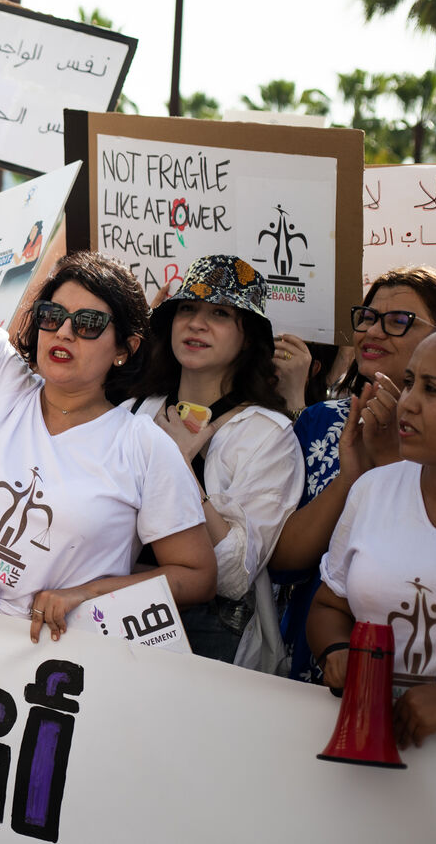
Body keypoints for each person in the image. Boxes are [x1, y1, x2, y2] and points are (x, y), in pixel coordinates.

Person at [0, 96, 215, 640]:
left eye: (89, 324)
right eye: (53, 316)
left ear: (125, 347)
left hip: (57, 668)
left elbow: (197, 575)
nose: (65, 332)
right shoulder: (3, 384)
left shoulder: (142, 446)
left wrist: (87, 594)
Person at [123, 256, 303, 670]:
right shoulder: (135, 411)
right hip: (117, 612)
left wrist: (179, 465)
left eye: (219, 313)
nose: (196, 324)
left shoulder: (268, 434)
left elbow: (234, 575)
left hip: (215, 646)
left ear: (249, 338)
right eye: (187, 308)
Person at [273, 266, 436, 681]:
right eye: (367, 317)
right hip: (330, 681)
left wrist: (393, 459)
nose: (374, 331)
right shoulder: (322, 421)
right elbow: (284, 564)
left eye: (399, 320)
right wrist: (353, 478)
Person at [308, 326, 436, 749]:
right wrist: (336, 651)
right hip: (364, 745)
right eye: (410, 383)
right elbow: (329, 605)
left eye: (433, 390)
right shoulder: (373, 488)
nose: (408, 403)